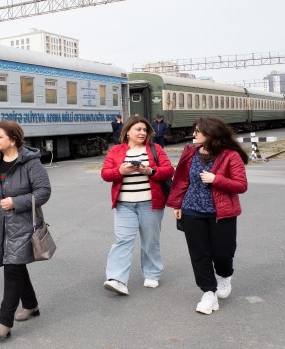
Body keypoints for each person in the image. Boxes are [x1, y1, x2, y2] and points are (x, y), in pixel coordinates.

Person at [0, 120, 51, 339]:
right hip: (0, 224)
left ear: (13, 140)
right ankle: (31, 305)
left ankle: (4, 321)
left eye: (0, 136)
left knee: (12, 267)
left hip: (23, 224)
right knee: (15, 263)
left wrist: (16, 202)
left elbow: (43, 191)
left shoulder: (31, 164)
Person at [167, 116, 248, 315]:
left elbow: (241, 185)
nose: (194, 134)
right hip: (191, 210)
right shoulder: (191, 152)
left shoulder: (230, 155)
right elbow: (182, 180)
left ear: (211, 133)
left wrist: (216, 179)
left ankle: (224, 275)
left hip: (221, 212)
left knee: (223, 253)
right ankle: (208, 293)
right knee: (199, 254)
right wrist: (177, 204)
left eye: (198, 131)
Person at [101, 114, 174, 296]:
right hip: (124, 205)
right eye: (138, 129)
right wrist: (120, 170)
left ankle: (152, 273)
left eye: (144, 130)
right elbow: (105, 174)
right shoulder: (116, 150)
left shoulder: (155, 148)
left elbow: (168, 170)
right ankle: (116, 279)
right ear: (127, 132)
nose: (142, 133)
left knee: (150, 240)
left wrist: (150, 171)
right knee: (122, 240)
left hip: (151, 203)